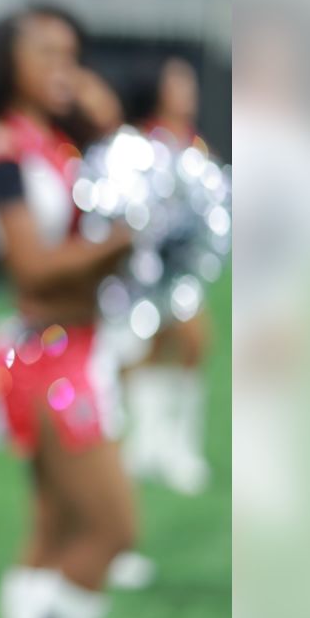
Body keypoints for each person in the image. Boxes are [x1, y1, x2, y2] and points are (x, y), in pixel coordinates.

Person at [0, 6, 136, 618]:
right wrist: (125, 242)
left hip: (80, 344)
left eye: (72, 54)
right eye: (47, 53)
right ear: (9, 63)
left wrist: (104, 122)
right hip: (48, 355)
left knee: (54, 531)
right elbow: (31, 265)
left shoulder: (56, 140)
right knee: (112, 530)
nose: (66, 68)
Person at [119, 56, 213, 495]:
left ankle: (179, 445)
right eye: (178, 83)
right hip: (142, 268)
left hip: (182, 271)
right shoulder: (144, 142)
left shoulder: (191, 143)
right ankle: (148, 442)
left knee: (192, 343)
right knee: (145, 352)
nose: (187, 91)